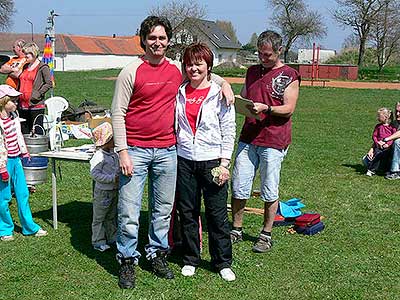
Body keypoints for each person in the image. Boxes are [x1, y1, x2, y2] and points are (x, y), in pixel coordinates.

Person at [111, 16, 233, 289]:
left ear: (168, 41)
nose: (157, 43)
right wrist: (122, 151)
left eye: (162, 38)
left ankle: (157, 254)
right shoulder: (131, 72)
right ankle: (128, 260)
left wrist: (224, 83)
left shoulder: (175, 69)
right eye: (152, 38)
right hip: (136, 150)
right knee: (129, 210)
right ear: (143, 40)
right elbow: (117, 113)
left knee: (163, 210)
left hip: (168, 150)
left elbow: (201, 72)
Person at [230, 30, 300, 253]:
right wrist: (242, 104)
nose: (263, 58)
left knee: (269, 188)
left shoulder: (290, 74)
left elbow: (289, 109)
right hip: (248, 137)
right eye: (260, 53)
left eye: (268, 54)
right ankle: (236, 229)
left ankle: (265, 234)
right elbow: (244, 95)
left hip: (273, 140)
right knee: (239, 184)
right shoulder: (251, 71)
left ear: (279, 51)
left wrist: (266, 108)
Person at [175, 43, 236, 281]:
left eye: (199, 63)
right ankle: (191, 258)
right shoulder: (179, 92)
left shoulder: (219, 94)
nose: (194, 68)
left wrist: (225, 163)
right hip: (185, 160)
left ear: (209, 66)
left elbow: (229, 129)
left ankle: (222, 262)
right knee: (188, 213)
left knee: (217, 214)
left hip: (212, 161)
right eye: (189, 64)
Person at [0, 84, 47, 241]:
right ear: (3, 102)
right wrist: (2, 168)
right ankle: (5, 229)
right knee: (4, 197)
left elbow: (18, 136)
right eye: (12, 100)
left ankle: (29, 227)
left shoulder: (14, 118)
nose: (16, 103)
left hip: (16, 160)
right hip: (4, 163)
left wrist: (24, 151)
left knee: (23, 193)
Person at [89, 122, 119, 252]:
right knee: (99, 217)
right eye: (112, 138)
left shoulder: (113, 154)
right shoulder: (99, 156)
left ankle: (112, 236)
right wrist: (112, 178)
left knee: (111, 215)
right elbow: (94, 174)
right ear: (106, 141)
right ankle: (98, 240)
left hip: (113, 190)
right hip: (103, 191)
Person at [18, 42, 52, 135]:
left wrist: (38, 94)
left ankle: (40, 147)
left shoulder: (43, 67)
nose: (25, 56)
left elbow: (49, 83)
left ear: (33, 53)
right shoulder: (25, 66)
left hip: (35, 104)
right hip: (22, 104)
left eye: (26, 54)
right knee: (24, 129)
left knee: (37, 129)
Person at [362, 107, 397, 177]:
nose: (377, 118)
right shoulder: (378, 126)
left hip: (388, 147)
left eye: (379, 116)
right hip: (379, 146)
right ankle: (372, 169)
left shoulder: (392, 127)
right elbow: (374, 136)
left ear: (386, 117)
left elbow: (393, 138)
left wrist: (388, 144)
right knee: (378, 153)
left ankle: (387, 170)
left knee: (388, 156)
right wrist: (377, 142)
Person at [384, 102, 400, 180]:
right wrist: (372, 148)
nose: (397, 113)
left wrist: (386, 139)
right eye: (396, 111)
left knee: (397, 141)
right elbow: (382, 135)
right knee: (366, 161)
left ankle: (395, 171)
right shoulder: (394, 123)